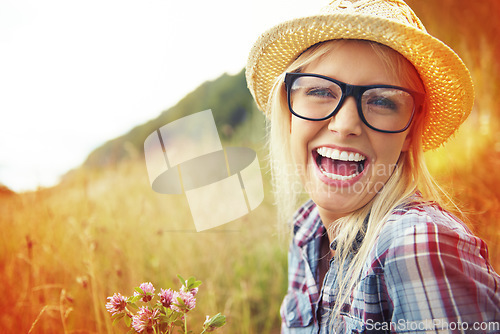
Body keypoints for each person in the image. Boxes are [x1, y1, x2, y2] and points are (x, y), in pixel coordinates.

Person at [245, 0, 500, 332]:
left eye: (382, 101)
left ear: (411, 131)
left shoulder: (416, 244)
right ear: (289, 109)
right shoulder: (307, 228)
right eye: (320, 91)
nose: (345, 124)